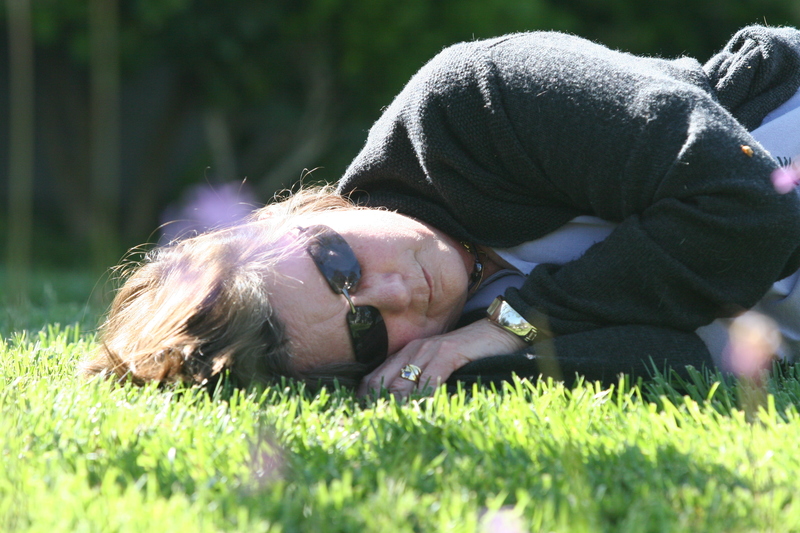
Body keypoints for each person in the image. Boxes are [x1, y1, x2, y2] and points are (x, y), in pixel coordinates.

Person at [84, 25, 800, 397]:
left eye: (338, 265)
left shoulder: (473, 105)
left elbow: (751, 205)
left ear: (285, 213)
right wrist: (469, 360)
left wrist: (512, 324)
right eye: (365, 330)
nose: (398, 294)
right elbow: (674, 360)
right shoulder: (448, 343)